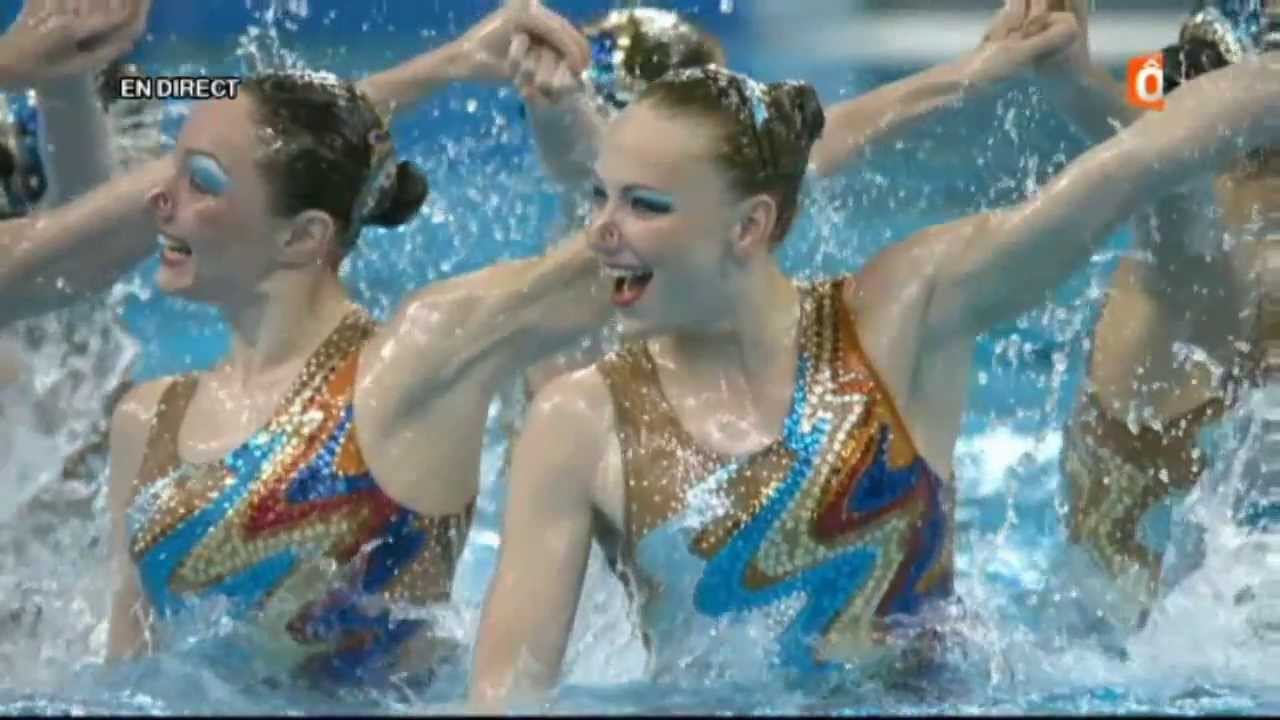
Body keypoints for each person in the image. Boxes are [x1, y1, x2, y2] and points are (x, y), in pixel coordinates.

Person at [467, 7, 1280, 706]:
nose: (598, 231)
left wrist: (1252, 81)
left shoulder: (900, 317)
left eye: (641, 204)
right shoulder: (576, 417)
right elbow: (503, 701)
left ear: (749, 227)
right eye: (600, 196)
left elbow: (1132, 171)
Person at [101, 2, 614, 687]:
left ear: (303, 237)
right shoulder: (147, 420)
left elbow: (623, 253)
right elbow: (121, 681)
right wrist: (452, 63)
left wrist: (566, 116)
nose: (159, 201)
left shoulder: (412, 364)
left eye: (202, 181)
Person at [1011, 0, 1280, 634]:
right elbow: (1152, 160)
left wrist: (1073, 77)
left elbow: (1147, 139)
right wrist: (1074, 81)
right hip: (1139, 664)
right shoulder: (1190, 277)